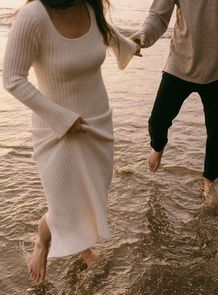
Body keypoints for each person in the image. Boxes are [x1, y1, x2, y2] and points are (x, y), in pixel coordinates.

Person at [3, 0, 140, 284]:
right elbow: (12, 79)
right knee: (64, 202)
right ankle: (43, 241)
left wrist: (129, 46)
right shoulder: (33, 16)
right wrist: (63, 119)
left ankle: (79, 246)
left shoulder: (90, 6)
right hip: (57, 131)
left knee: (91, 199)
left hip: (98, 125)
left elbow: (105, 34)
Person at [131, 0, 218, 207]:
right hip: (178, 66)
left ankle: (209, 182)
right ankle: (158, 146)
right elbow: (158, 16)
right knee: (157, 122)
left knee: (217, 134)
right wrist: (142, 36)